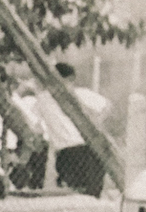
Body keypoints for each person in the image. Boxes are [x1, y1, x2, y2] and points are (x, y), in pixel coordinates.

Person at [40, 62, 111, 198]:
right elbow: (107, 105)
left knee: (80, 189)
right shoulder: (77, 94)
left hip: (68, 151)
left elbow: (107, 105)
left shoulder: (44, 98)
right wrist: (97, 122)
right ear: (71, 78)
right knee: (91, 189)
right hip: (81, 149)